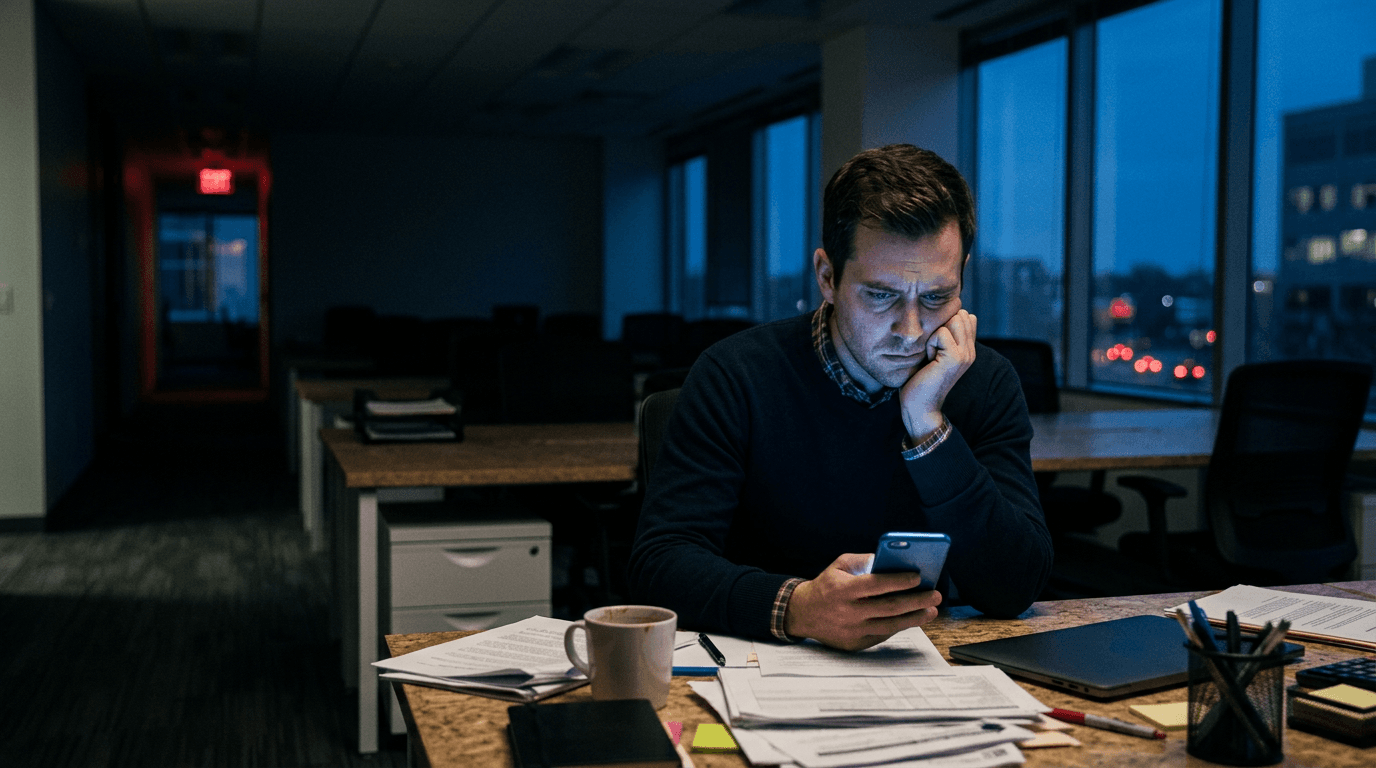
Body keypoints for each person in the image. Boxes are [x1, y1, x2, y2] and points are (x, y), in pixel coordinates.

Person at [627, 144, 1052, 651]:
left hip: (921, 666)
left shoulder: (983, 380)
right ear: (827, 277)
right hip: (759, 662)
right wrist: (797, 607)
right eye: (881, 295)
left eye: (936, 297)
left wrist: (928, 426)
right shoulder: (735, 374)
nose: (911, 331)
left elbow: (1014, 587)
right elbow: (660, 564)